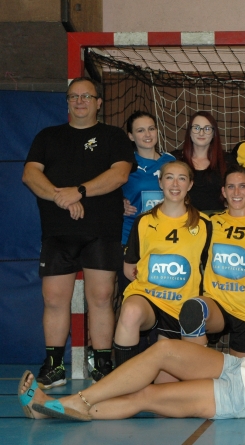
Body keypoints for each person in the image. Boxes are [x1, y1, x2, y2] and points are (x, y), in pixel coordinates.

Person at [19, 283, 245, 421]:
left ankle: (64, 408)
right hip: (240, 369)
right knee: (165, 349)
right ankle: (72, 403)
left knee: (148, 395)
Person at [22, 77, 134, 387]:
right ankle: (55, 366)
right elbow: (30, 175)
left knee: (101, 297)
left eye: (87, 96)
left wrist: (79, 191)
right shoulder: (48, 136)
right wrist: (62, 196)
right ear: (68, 102)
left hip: (101, 230)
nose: (80, 101)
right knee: (55, 299)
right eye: (74, 96)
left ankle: (102, 364)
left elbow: (119, 174)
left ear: (99, 102)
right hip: (57, 232)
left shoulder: (113, 137)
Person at [112, 161, 212, 375]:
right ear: (160, 182)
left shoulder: (205, 224)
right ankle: (121, 386)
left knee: (168, 393)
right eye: (169, 177)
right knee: (130, 311)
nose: (175, 184)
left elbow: (209, 268)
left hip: (182, 308)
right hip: (149, 300)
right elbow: (130, 268)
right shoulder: (143, 221)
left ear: (190, 184)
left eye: (182, 178)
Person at [180, 165, 245, 359]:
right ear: (223, 191)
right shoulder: (208, 222)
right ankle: (196, 374)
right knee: (193, 309)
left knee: (240, 379)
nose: (237, 192)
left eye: (242, 186)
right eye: (231, 187)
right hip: (216, 304)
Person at [119, 111, 176, 293]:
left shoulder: (170, 161)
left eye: (151, 129)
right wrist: (117, 203)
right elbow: (106, 190)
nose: (148, 134)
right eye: (141, 130)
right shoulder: (123, 163)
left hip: (164, 239)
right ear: (130, 136)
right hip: (131, 238)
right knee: (131, 294)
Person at [171, 111, 226, 214]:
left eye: (207, 129)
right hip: (184, 220)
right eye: (196, 128)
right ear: (189, 132)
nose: (201, 133)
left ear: (214, 133)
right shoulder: (175, 159)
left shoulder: (227, 161)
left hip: (217, 222)